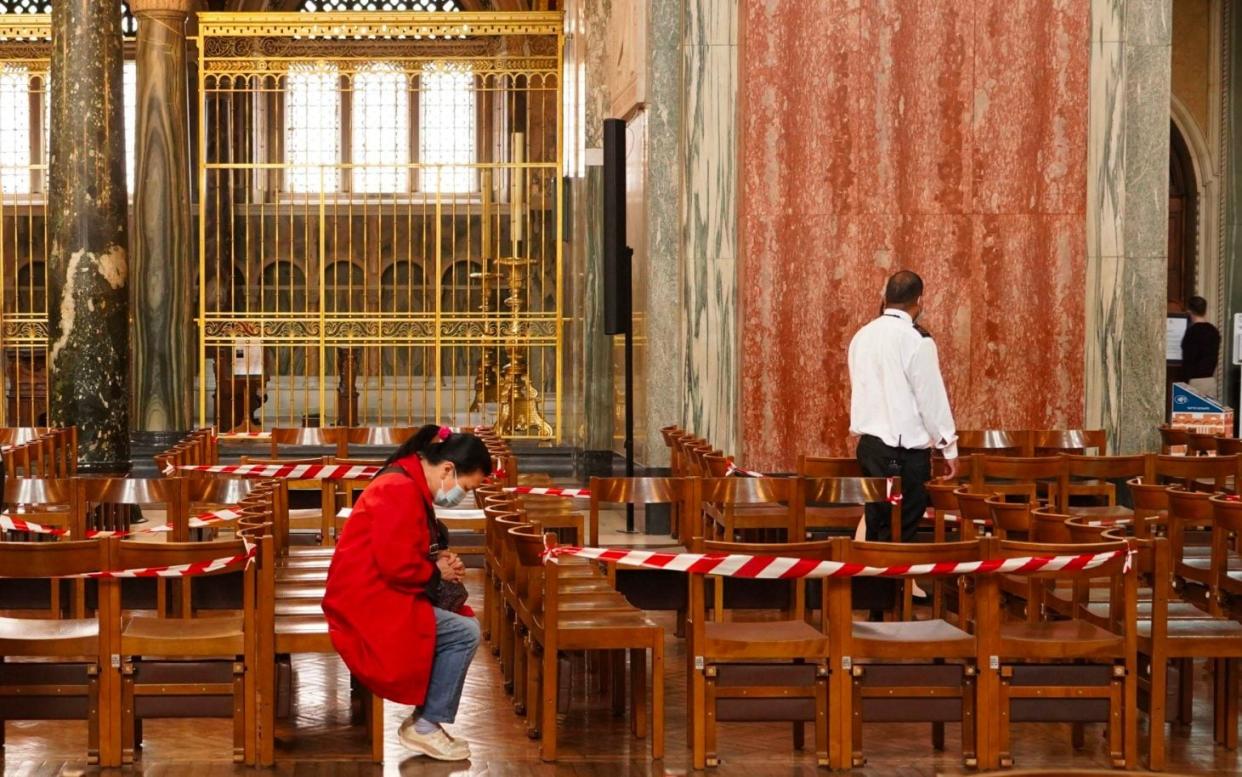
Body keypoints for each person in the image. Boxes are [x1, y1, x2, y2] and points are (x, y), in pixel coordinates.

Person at [322, 424, 492, 761]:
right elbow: (396, 564)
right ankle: (426, 724)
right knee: (464, 632)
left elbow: (404, 546)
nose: (460, 495)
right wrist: (435, 571)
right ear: (448, 469)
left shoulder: (408, 482)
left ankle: (427, 717)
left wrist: (438, 558)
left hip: (376, 589)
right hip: (366, 600)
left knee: (459, 622)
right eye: (466, 486)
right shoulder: (399, 488)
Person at [848, 270, 960, 545]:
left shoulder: (861, 336)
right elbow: (931, 398)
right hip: (904, 454)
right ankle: (899, 588)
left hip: (870, 448)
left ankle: (875, 586)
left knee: (876, 524)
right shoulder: (917, 340)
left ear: (885, 298)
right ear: (919, 300)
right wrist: (948, 446)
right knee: (904, 530)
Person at [1181, 295, 1221, 398]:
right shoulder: (1214, 331)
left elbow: (1189, 359)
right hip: (1210, 380)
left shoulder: (1192, 332)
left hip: (1194, 382)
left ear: (1189, 311)